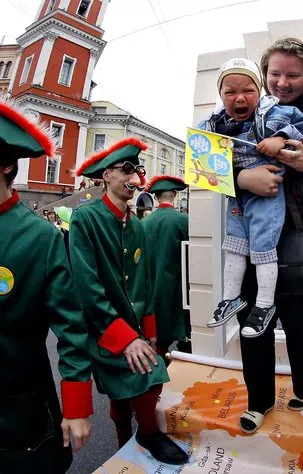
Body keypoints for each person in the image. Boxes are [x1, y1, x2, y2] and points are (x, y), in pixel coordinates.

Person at [208, 38, 303, 434]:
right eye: (274, 73)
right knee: (251, 315)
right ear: (262, 74)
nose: (282, 82)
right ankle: (258, 401)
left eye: (293, 75)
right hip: (255, 231)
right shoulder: (234, 110)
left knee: (301, 317)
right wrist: (241, 178)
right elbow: (202, 165)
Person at [70, 138, 188, 465]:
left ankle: (128, 442)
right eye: (125, 170)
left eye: (137, 170)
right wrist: (126, 339)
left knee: (132, 386)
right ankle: (144, 437)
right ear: (105, 175)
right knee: (147, 376)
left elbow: (145, 281)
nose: (134, 178)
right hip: (104, 330)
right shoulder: (86, 218)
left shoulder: (136, 224)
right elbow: (87, 285)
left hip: (135, 330)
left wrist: (147, 331)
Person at [0, 100, 93, 472]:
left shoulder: (40, 237)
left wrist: (75, 407)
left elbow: (71, 327)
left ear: (6, 164)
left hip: (18, 411)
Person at [201, 57, 303, 338]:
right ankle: (231, 297)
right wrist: (239, 179)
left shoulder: (276, 113)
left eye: (248, 90)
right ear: (221, 95)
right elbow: (202, 168)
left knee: (263, 248)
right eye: (230, 92)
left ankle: (264, 305)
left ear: (260, 91)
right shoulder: (213, 123)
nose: (240, 98)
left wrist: (280, 138)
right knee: (236, 245)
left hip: (268, 195)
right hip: (237, 197)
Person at [142, 175, 192, 358]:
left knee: (158, 334)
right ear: (175, 195)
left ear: (156, 197)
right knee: (185, 333)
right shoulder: (183, 220)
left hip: (153, 283)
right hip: (180, 285)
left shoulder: (144, 223)